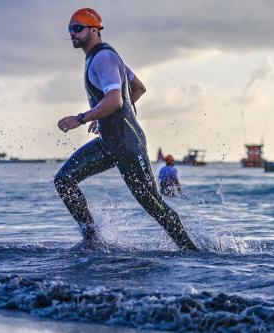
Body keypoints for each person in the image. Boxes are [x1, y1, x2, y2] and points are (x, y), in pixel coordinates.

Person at [54, 8, 198, 251]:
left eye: (77, 28)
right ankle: (92, 240)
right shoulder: (100, 57)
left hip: (128, 146)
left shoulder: (104, 59)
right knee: (64, 180)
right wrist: (105, 117)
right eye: (70, 29)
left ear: (94, 30)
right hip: (110, 143)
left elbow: (116, 100)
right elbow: (138, 88)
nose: (72, 34)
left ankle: (192, 251)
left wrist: (83, 117)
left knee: (153, 205)